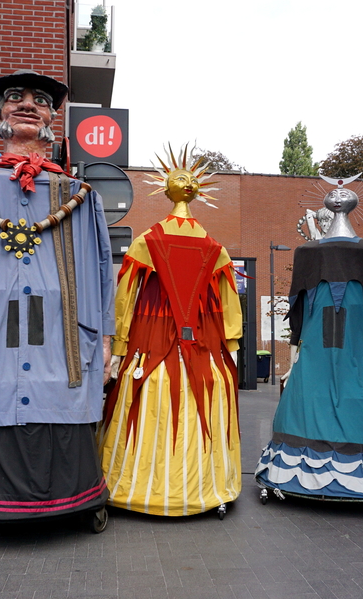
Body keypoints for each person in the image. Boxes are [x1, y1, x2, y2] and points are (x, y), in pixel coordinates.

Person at [0, 70, 115, 526]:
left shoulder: (81, 198)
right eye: (15, 97)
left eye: (40, 100)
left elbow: (103, 279)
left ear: (53, 117)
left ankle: (74, 503)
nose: (28, 104)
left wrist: (106, 341)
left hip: (61, 347)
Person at [256, 174, 363, 502]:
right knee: (345, 399)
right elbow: (298, 306)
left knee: (328, 399)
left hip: (346, 358)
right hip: (342, 360)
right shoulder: (315, 253)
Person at [98, 145, 242, 517]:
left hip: (152, 339)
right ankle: (205, 487)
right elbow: (229, 304)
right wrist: (231, 343)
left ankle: (136, 486)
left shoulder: (147, 242)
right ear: (194, 191)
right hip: (203, 347)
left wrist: (118, 346)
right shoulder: (215, 248)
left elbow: (125, 297)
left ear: (167, 190)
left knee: (149, 395)